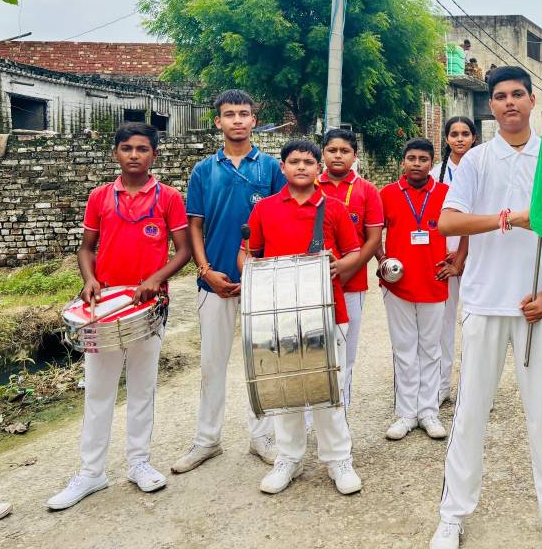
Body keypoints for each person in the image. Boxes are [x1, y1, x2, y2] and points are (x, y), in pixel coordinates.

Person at [429, 66, 542, 549]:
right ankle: (453, 515)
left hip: (538, 306)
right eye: (500, 96)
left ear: (533, 101)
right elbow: (448, 222)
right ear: (490, 106)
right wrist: (507, 219)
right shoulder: (475, 160)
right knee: (471, 413)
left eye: (518, 94)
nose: (509, 102)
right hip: (485, 301)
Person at [47, 123, 191, 510]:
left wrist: (156, 279)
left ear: (154, 154)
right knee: (98, 390)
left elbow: (183, 251)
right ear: (115, 153)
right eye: (126, 148)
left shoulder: (168, 198)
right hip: (105, 307)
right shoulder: (100, 197)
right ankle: (91, 473)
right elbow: (86, 248)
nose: (134, 155)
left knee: (143, 388)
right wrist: (90, 280)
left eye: (142, 149)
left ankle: (138, 463)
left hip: (148, 307)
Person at [239, 139, 363, 496]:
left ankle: (338, 459)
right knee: (286, 387)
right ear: (283, 167)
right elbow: (247, 255)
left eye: (308, 162)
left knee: (330, 388)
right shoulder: (264, 209)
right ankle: (288, 458)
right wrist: (251, 273)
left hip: (328, 311)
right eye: (294, 161)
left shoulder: (334, 208)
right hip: (277, 315)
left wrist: (340, 266)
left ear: (318, 167)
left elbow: (354, 252)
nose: (302, 167)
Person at [171, 90, 285, 475]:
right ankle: (207, 440)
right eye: (229, 114)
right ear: (217, 121)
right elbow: (195, 225)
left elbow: (279, 223)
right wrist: (205, 271)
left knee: (262, 361)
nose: (237, 120)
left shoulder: (270, 169)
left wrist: (260, 271)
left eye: (244, 113)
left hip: (260, 281)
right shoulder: (204, 170)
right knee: (211, 364)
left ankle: (262, 437)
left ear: (254, 120)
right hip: (213, 281)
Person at [379, 138, 459, 441]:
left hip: (434, 281)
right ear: (403, 162)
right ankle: (405, 414)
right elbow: (372, 233)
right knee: (404, 350)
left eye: (423, 159)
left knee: (431, 349)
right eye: (411, 158)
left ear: (431, 163)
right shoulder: (387, 194)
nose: (416, 163)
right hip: (398, 284)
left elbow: (463, 230)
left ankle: (428, 412)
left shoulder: (445, 193)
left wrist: (457, 262)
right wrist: (382, 260)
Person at [318, 128, 384, 408]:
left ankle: (340, 415)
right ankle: (310, 418)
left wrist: (346, 269)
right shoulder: (310, 186)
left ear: (355, 155)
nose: (338, 156)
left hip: (352, 283)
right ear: (322, 154)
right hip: (313, 283)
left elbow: (373, 239)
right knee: (314, 350)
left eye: (344, 151)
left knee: (346, 350)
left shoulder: (366, 190)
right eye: (332, 150)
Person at [431, 116, 475, 405]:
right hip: (443, 260)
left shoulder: (483, 168)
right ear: (446, 139)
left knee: (474, 325)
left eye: (465, 133)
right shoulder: (436, 173)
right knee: (443, 324)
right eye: (454, 134)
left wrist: (462, 255)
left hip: (475, 256)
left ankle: (474, 390)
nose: (460, 139)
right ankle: (442, 386)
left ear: (473, 137)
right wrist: (446, 254)